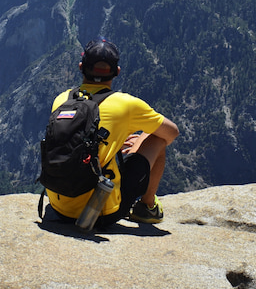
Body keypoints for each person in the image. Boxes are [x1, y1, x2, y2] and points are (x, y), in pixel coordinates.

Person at [46, 38, 180, 226]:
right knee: (157, 139)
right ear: (116, 72)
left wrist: (118, 137)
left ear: (80, 67)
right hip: (99, 211)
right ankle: (147, 208)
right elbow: (171, 133)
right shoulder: (126, 104)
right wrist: (141, 136)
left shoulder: (62, 100)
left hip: (59, 207)